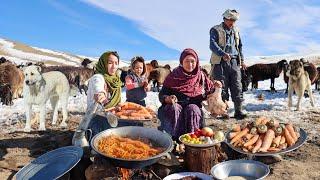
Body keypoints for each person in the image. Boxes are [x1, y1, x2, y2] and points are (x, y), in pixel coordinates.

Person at [158, 48, 222, 140]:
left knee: (193, 109)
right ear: (182, 62)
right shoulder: (173, 76)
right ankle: (172, 139)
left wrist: (217, 86)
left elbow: (211, 92)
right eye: (187, 61)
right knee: (174, 108)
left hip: (193, 110)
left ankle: (193, 139)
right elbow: (162, 94)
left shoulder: (201, 77)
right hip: (175, 108)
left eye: (193, 61)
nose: (190, 64)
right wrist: (167, 98)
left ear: (197, 62)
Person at [209, 9, 247, 119]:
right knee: (222, 87)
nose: (233, 22)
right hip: (220, 62)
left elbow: (239, 46)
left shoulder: (236, 30)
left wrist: (242, 61)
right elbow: (212, 45)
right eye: (231, 20)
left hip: (234, 60)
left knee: (237, 85)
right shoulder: (215, 29)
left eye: (234, 20)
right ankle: (223, 111)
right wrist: (222, 53)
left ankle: (238, 111)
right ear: (225, 18)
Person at [85, 51, 123, 137]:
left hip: (112, 117)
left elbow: (117, 101)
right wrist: (101, 93)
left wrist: (118, 106)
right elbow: (97, 86)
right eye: (110, 63)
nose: (114, 66)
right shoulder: (98, 77)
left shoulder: (116, 80)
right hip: (97, 119)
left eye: (116, 63)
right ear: (103, 63)